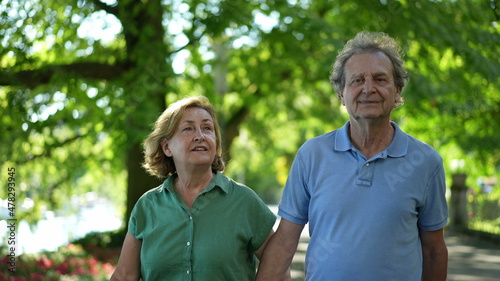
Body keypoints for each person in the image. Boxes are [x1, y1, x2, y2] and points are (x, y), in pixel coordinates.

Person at [256, 31, 448, 281]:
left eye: (380, 79)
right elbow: (283, 243)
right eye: (357, 80)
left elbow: (434, 251)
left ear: (397, 90)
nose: (369, 88)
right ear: (341, 94)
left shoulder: (425, 162)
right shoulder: (312, 155)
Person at [111, 96, 282, 281]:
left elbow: (279, 268)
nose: (200, 136)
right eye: (188, 128)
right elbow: (124, 276)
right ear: (167, 147)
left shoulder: (244, 201)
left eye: (207, 128)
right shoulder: (147, 206)